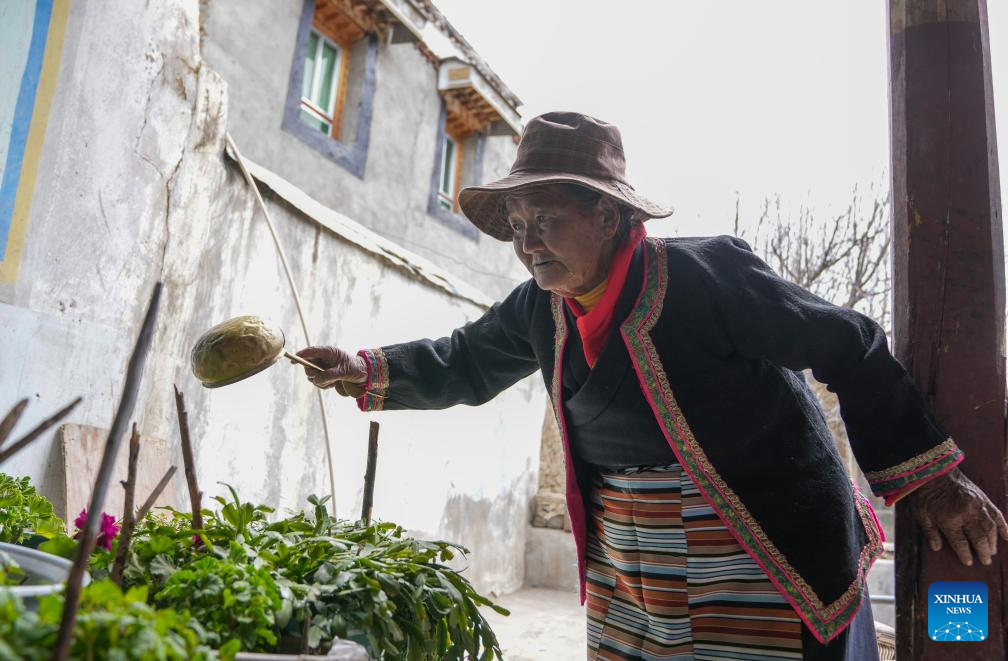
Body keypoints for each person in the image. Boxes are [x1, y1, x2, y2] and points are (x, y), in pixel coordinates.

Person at [297, 112, 1008, 661]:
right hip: (635, 565)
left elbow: (846, 340)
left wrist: (924, 478)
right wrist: (362, 369)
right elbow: (462, 361)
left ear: (607, 215)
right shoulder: (537, 307)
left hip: (757, 540)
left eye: (544, 220)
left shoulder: (705, 277)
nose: (527, 243)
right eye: (517, 227)